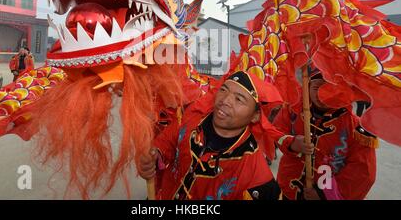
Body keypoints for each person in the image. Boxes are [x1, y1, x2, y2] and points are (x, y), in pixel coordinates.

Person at [138, 70, 300, 200]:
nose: (226, 100)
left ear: (255, 116)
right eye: (224, 90)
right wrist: (154, 156)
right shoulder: (193, 117)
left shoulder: (256, 176)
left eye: (239, 99)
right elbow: (168, 141)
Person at [273, 70, 377, 200]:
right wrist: (292, 143)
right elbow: (276, 132)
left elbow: (363, 172)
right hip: (287, 186)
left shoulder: (355, 126)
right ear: (308, 85)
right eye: (316, 87)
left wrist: (324, 194)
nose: (321, 94)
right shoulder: (292, 108)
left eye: (329, 88)